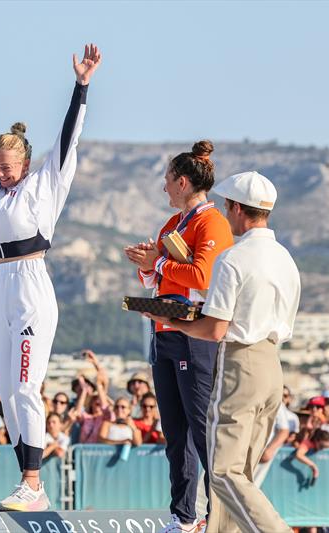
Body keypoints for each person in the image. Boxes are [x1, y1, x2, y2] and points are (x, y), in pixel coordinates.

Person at [0, 43, 101, 512]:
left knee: (24, 386)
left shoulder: (45, 184)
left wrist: (81, 86)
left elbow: (68, 137)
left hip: (30, 283)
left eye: (7, 166)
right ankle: (25, 479)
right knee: (5, 391)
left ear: (25, 163)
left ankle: (34, 482)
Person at [145, 171, 301, 533]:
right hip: (271, 365)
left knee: (224, 471)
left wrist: (171, 320)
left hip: (239, 363)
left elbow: (214, 328)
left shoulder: (234, 258)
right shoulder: (286, 259)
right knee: (240, 472)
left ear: (235, 208)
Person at [125, 140, 234, 533]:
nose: (164, 187)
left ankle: (220, 514)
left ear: (183, 182)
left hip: (195, 333)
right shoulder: (172, 225)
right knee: (176, 433)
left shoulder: (212, 222)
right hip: (164, 330)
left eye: (167, 180)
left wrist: (157, 261)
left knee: (202, 431)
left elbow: (203, 276)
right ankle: (183, 516)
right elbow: (157, 278)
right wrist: (146, 265)